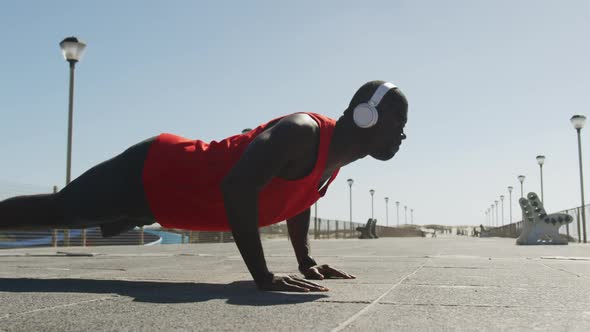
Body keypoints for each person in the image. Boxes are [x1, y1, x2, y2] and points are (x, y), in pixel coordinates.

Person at [0, 80, 408, 292]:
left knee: (74, 215)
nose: (402, 135)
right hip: (155, 171)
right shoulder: (303, 131)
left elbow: (298, 198)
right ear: (366, 115)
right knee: (62, 211)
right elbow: (238, 186)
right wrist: (262, 276)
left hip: (166, 204)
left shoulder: (332, 160)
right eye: (398, 123)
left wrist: (306, 261)